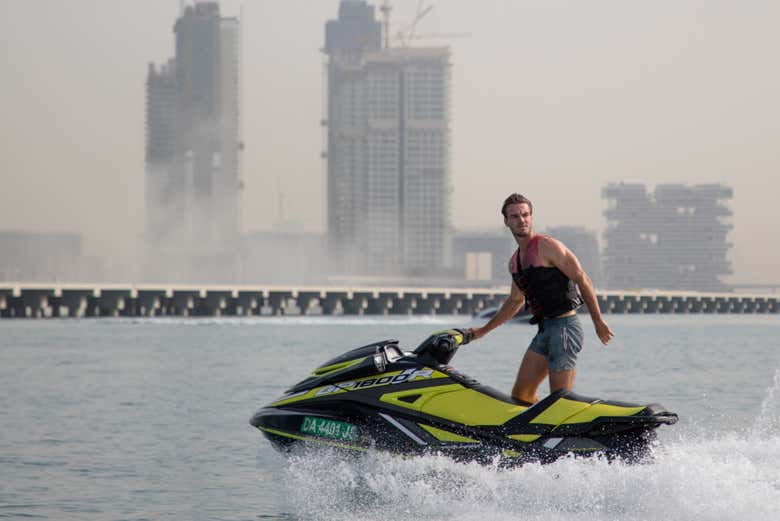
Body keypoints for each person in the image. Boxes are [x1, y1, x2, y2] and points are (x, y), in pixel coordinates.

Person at [469, 193, 614, 405]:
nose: (522, 220)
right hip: (544, 330)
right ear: (506, 221)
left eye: (525, 215)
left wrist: (598, 322)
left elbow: (583, 280)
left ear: (531, 217)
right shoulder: (515, 262)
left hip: (565, 328)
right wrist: (482, 331)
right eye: (515, 216)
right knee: (520, 395)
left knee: (560, 401)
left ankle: (570, 434)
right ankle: (539, 434)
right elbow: (514, 302)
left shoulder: (547, 246)